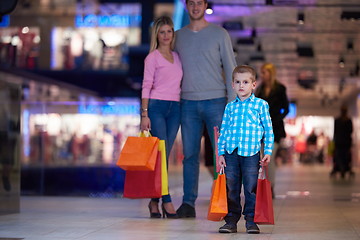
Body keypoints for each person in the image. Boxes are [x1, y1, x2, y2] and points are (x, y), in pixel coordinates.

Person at [175, 0, 237, 218]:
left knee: (222, 154)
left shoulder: (220, 34)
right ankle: (188, 203)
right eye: (191, 3)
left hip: (217, 101)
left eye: (199, 2)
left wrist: (232, 105)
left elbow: (231, 68)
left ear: (205, 5)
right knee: (190, 155)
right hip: (188, 103)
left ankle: (226, 202)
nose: (195, 6)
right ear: (186, 6)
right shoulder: (178, 36)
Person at [217, 65, 274, 234]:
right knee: (231, 187)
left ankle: (251, 220)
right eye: (238, 82)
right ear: (232, 85)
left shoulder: (261, 105)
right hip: (231, 153)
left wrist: (268, 151)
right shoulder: (230, 107)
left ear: (253, 85)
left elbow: (268, 130)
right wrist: (221, 153)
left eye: (246, 82)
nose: (241, 85)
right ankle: (231, 220)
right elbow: (224, 131)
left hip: (251, 153)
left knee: (251, 187)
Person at [140, 16, 182, 219]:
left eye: (169, 31)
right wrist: (144, 114)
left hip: (175, 108)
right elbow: (146, 85)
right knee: (162, 155)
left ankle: (153, 202)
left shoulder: (178, 56)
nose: (166, 35)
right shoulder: (152, 58)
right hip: (156, 107)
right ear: (156, 34)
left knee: (163, 156)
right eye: (162, 31)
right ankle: (166, 200)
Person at [255, 63, 288, 197]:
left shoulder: (280, 89)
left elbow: (286, 108)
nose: (262, 75)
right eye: (261, 72)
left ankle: (270, 186)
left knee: (270, 158)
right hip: (260, 130)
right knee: (262, 160)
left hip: (275, 129)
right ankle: (263, 187)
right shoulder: (259, 90)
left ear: (270, 73)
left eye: (264, 72)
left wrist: (276, 118)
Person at [330, 105, 354, 179]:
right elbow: (351, 131)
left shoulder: (337, 120)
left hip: (339, 142)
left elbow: (335, 132)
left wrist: (334, 141)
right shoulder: (348, 120)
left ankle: (338, 168)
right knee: (346, 156)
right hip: (346, 142)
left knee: (338, 156)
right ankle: (345, 168)